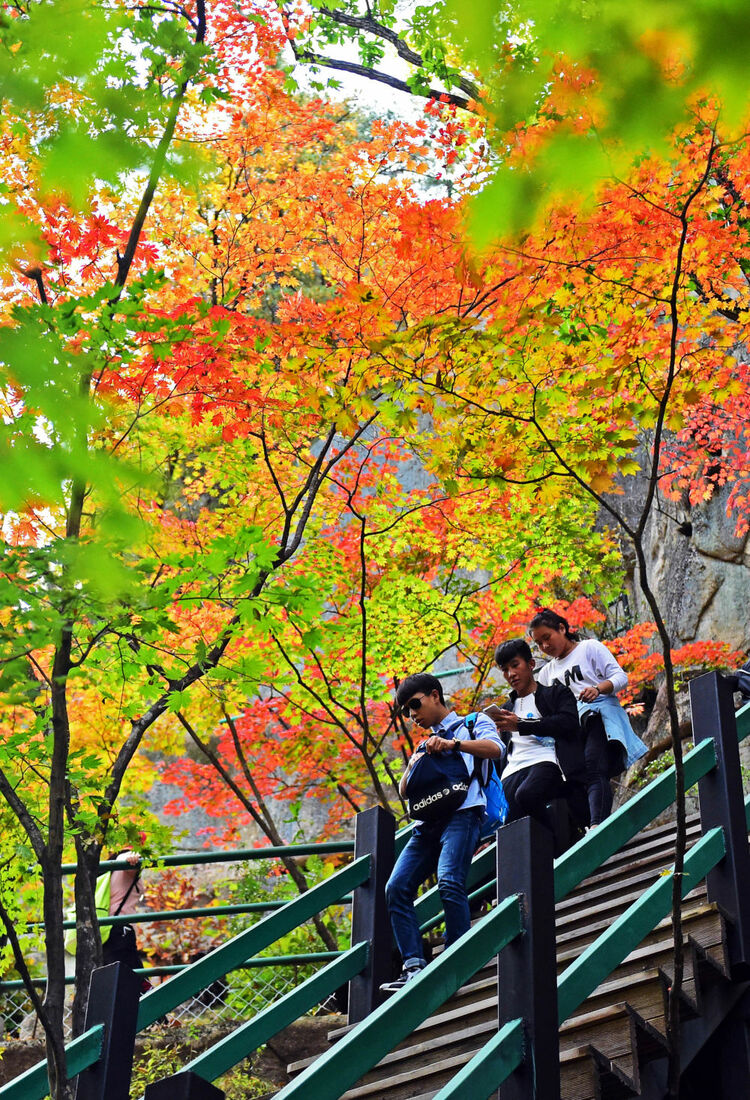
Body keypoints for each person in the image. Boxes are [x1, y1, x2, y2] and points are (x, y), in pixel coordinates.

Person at [381, 673, 503, 994]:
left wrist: (453, 744)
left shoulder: (474, 722)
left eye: (415, 705)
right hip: (427, 822)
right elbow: (406, 790)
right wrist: (416, 760)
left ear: (435, 695)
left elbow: (495, 749)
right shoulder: (423, 743)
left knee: (449, 880)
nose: (412, 716)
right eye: (407, 711)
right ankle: (413, 967)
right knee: (396, 887)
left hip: (464, 814)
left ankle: (457, 956)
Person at [529, 608, 647, 826]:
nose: (545, 646)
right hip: (570, 729)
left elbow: (620, 677)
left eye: (547, 637)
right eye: (538, 643)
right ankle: (589, 828)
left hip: (597, 715)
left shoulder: (588, 648)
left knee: (594, 768)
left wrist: (598, 688)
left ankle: (596, 826)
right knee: (575, 778)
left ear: (562, 629)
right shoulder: (546, 673)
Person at [491, 638, 588, 829]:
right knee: (507, 820)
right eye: (504, 670)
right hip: (512, 769)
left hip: (547, 761)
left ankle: (559, 843)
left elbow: (568, 723)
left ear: (531, 664)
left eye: (515, 665)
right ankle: (547, 852)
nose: (511, 674)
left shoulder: (555, 693)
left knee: (526, 794)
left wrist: (521, 724)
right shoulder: (506, 709)